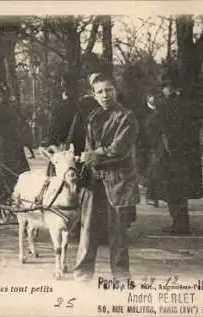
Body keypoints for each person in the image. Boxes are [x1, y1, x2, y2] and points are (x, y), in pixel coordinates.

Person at [73, 73, 139, 282]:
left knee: (117, 232)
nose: (105, 95)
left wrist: (92, 156)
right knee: (87, 230)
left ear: (115, 90)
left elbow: (119, 150)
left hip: (117, 182)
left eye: (108, 90)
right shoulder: (93, 117)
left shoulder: (127, 117)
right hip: (94, 182)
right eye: (99, 91)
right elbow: (88, 147)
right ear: (94, 94)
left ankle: (121, 277)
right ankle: (83, 274)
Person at [161, 80, 202, 234]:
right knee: (180, 192)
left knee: (174, 191)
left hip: (173, 156)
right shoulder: (186, 105)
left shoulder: (171, 105)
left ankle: (180, 225)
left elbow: (165, 130)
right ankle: (180, 223)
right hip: (185, 156)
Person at [0, 84, 30, 193]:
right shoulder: (13, 107)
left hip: (2, 141)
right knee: (17, 166)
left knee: (2, 166)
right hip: (15, 141)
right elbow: (21, 122)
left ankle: (6, 190)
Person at [136, 90, 170, 207]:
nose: (155, 99)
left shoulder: (161, 111)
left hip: (158, 145)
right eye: (152, 96)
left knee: (157, 171)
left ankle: (156, 196)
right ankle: (152, 196)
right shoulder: (142, 112)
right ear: (147, 98)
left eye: (157, 97)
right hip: (147, 145)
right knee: (151, 172)